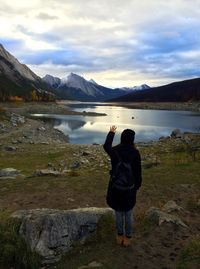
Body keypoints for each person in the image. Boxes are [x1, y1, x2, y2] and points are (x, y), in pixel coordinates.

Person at [103, 125, 142, 247]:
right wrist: (136, 186)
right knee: (128, 214)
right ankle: (128, 237)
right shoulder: (135, 153)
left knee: (118, 212)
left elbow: (106, 146)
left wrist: (111, 132)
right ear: (132, 139)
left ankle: (119, 235)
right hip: (129, 189)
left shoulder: (115, 150)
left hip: (115, 188)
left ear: (122, 137)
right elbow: (137, 172)